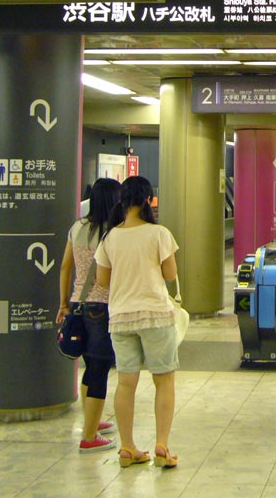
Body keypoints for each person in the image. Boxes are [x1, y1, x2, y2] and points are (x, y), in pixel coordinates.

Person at [95, 176, 180, 470]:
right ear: (147, 200)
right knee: (164, 380)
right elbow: (170, 275)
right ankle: (162, 446)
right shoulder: (159, 234)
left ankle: (127, 447)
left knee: (125, 383)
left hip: (120, 316)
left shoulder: (110, 238)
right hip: (155, 314)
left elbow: (102, 280)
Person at [56, 177, 122, 453]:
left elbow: (65, 267)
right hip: (103, 307)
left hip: (78, 304)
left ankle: (91, 421)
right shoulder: (114, 232)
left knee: (89, 366)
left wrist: (64, 304)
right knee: (99, 369)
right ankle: (89, 436)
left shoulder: (77, 227)